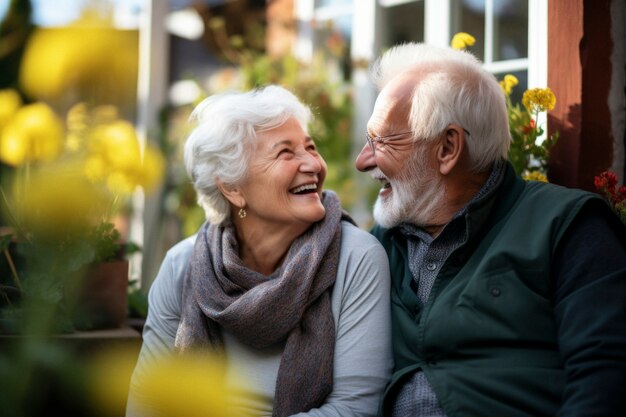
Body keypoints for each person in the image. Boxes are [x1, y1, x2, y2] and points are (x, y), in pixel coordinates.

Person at [354, 42, 626, 417]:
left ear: (447, 148)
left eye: (381, 140)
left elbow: (605, 379)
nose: (362, 160)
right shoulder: (374, 249)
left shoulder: (568, 225)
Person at [127, 85, 393, 417]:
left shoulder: (356, 257)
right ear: (233, 188)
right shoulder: (183, 265)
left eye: (310, 147)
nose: (312, 163)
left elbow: (355, 409)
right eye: (286, 153)